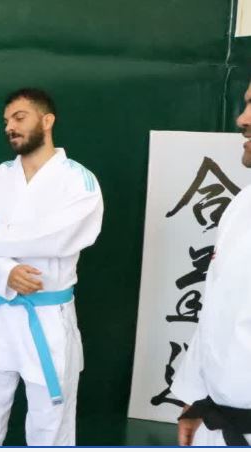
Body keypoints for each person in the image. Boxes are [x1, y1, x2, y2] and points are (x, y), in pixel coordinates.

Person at [0, 88, 103, 446]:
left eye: (19, 117)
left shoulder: (78, 180)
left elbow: (60, 237)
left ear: (47, 120)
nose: (10, 126)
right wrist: (6, 274)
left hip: (48, 314)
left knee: (50, 424)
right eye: (6, 121)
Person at [171, 80, 251, 447]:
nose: (241, 119)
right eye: (245, 104)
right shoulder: (241, 205)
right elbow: (217, 312)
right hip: (218, 421)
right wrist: (196, 399)